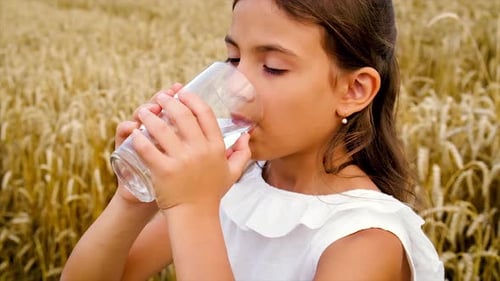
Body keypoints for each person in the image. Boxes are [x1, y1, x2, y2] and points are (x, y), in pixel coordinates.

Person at [61, 0, 445, 280]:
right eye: (232, 59)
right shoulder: (236, 181)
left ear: (353, 90)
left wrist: (193, 208)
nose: (236, 88)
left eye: (273, 67)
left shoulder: (365, 240)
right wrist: (135, 197)